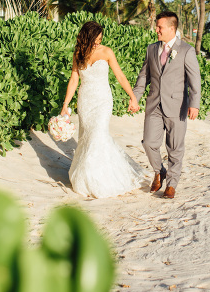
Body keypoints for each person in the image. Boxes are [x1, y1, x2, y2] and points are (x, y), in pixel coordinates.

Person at [60, 21, 148, 198]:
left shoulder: (107, 52)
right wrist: (65, 105)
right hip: (85, 101)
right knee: (86, 137)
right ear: (87, 37)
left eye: (100, 39)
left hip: (103, 101)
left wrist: (132, 96)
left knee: (97, 135)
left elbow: (120, 75)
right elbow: (74, 80)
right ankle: (86, 178)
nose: (97, 43)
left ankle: (99, 179)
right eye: (95, 39)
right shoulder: (78, 53)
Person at [129, 11, 201, 199]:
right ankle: (159, 170)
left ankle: (171, 184)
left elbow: (194, 80)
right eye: (157, 26)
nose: (156, 30)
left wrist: (194, 104)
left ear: (171, 28)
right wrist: (135, 96)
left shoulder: (186, 50)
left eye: (159, 27)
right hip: (154, 104)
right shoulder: (151, 49)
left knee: (175, 147)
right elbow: (144, 76)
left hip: (177, 107)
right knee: (149, 143)